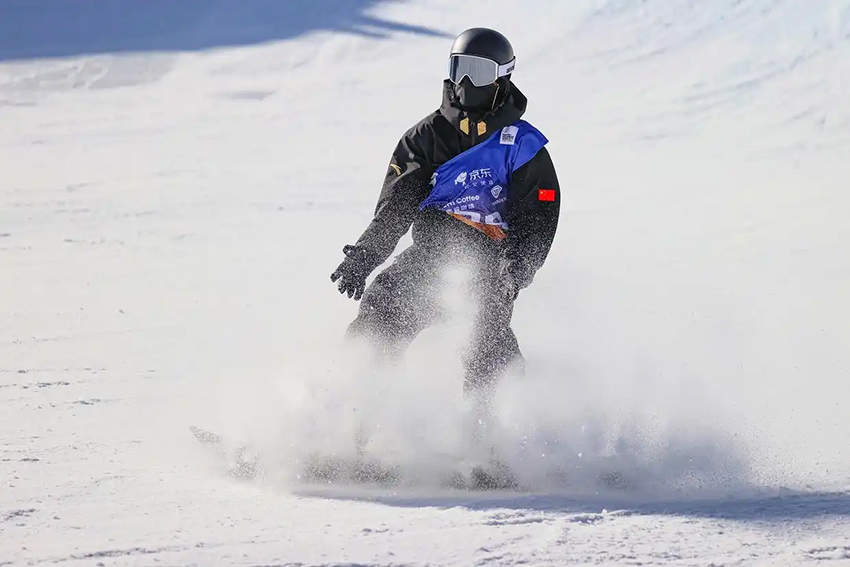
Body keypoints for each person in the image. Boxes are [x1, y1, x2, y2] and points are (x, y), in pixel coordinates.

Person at [331, 27, 561, 397]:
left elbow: (537, 220)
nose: (467, 81)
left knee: (485, 337)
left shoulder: (523, 146)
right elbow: (398, 203)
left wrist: (515, 272)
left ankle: (495, 435)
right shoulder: (426, 137)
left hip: (489, 269)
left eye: (480, 71)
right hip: (429, 257)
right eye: (460, 68)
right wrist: (368, 253)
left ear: (502, 79)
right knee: (381, 307)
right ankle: (349, 419)